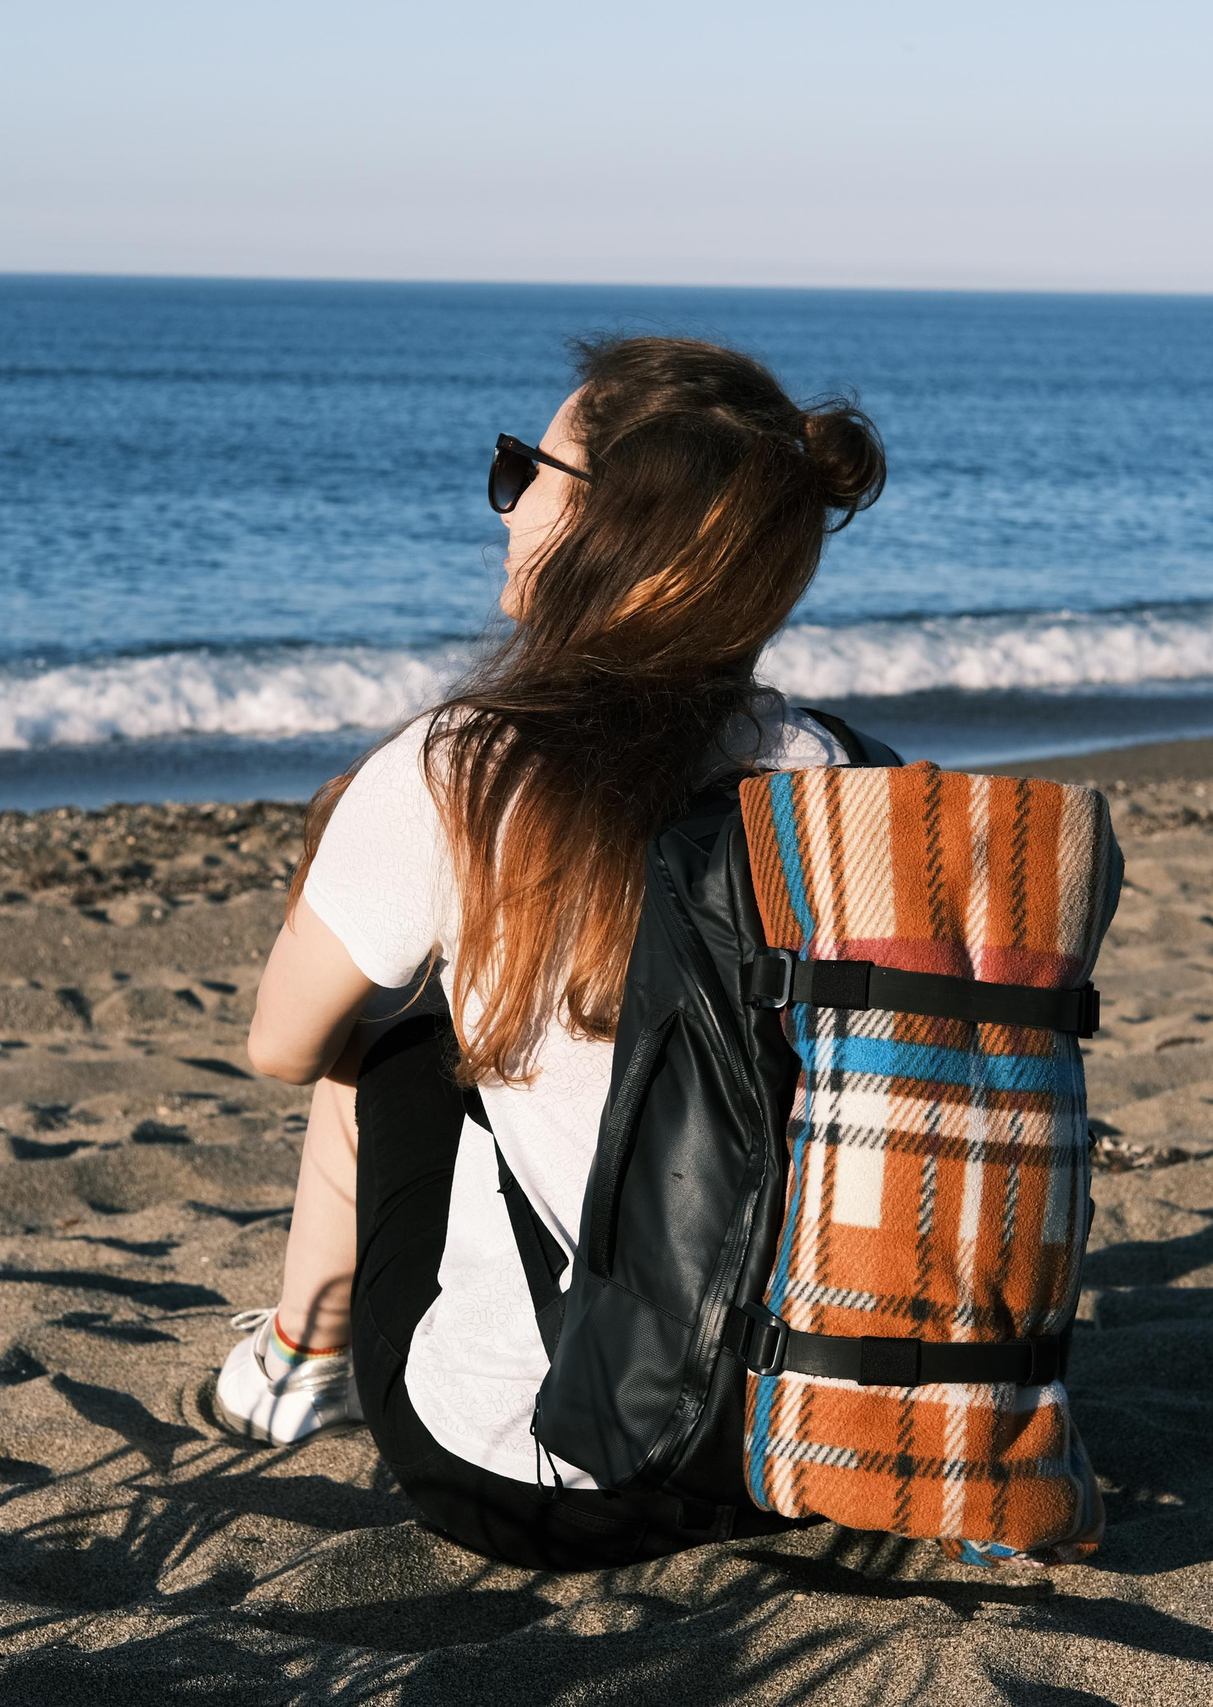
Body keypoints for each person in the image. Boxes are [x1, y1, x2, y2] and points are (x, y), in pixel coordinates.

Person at [213, 335, 886, 1569]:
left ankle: (299, 1368)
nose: (507, 504)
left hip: (530, 1476)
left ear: (614, 527)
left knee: (395, 1040)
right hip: (814, 1457)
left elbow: (278, 1044)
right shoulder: (842, 780)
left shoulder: (462, 766)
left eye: (527, 468)